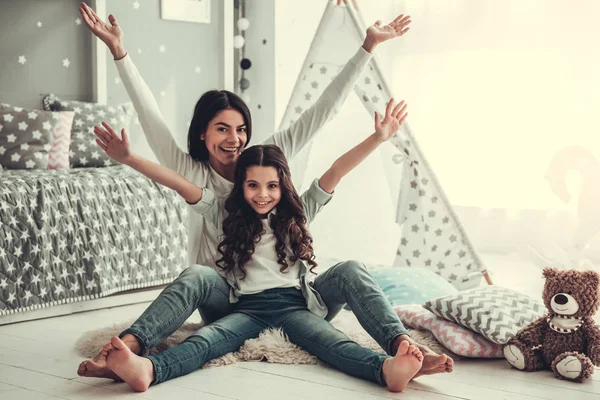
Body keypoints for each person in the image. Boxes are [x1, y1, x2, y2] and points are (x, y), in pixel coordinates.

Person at [77, 2, 452, 380]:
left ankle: (405, 352)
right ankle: (126, 353)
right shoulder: (215, 197)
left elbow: (325, 128)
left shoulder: (272, 171)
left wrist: (368, 51)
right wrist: (120, 58)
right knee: (200, 318)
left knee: (346, 294)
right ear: (203, 132)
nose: (234, 139)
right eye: (222, 128)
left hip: (295, 302)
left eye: (240, 129)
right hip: (230, 299)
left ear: (281, 181)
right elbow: (161, 144)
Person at [95, 98, 425, 392]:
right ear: (241, 185)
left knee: (336, 328)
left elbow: (338, 170)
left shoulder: (302, 210)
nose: (263, 193)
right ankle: (139, 359)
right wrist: (129, 158)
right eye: (253, 185)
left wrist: (379, 137)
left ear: (284, 185)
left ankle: (397, 354)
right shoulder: (222, 209)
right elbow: (178, 183)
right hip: (244, 308)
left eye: (271, 186)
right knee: (205, 333)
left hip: (296, 307)